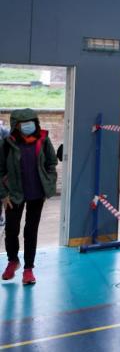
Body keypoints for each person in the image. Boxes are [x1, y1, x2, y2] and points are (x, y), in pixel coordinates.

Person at [0, 109, 58, 285]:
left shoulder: (43, 140)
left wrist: (48, 185)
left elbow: (52, 163)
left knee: (31, 231)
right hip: (14, 194)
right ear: (16, 125)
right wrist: (4, 195)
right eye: (24, 123)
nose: (28, 125)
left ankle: (28, 269)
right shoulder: (7, 143)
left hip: (36, 194)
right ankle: (13, 261)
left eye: (32, 121)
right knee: (11, 230)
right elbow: (0, 170)